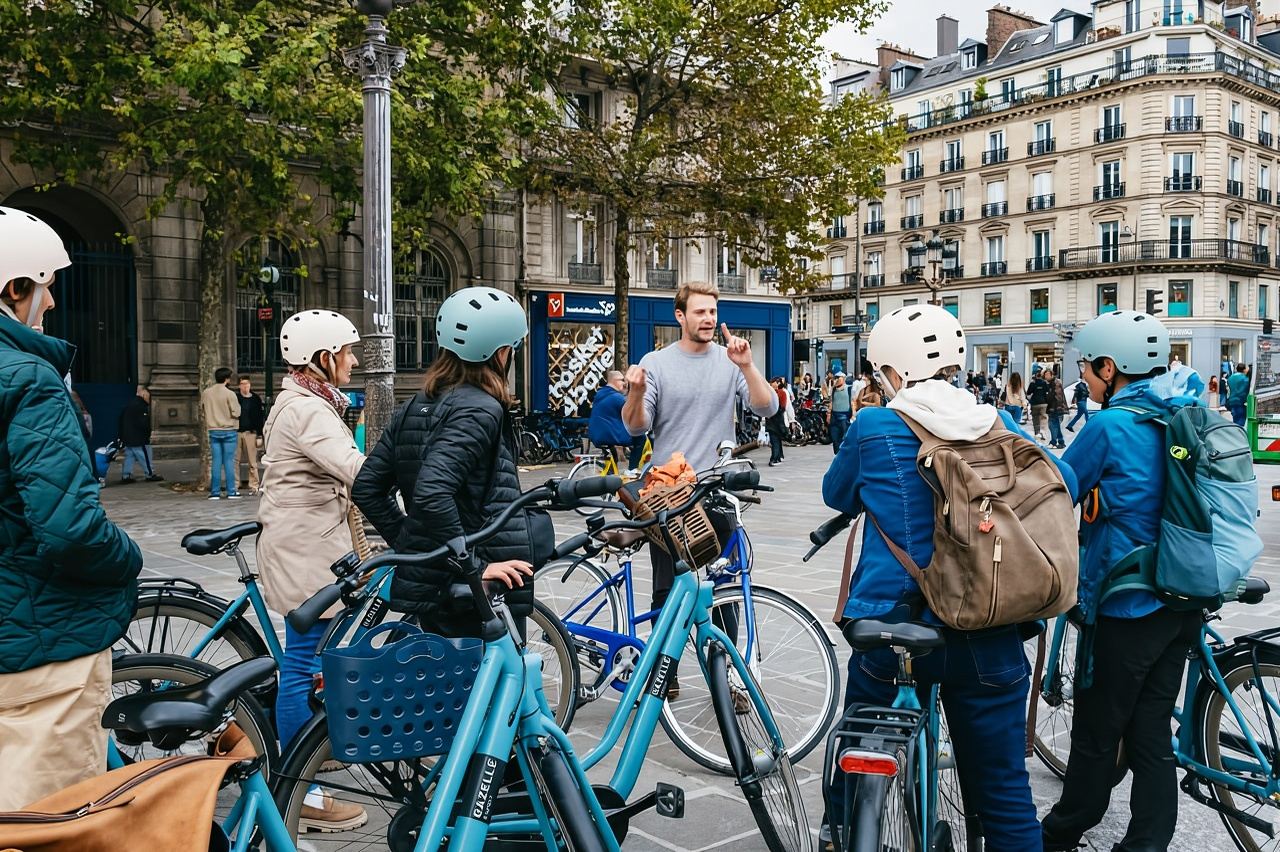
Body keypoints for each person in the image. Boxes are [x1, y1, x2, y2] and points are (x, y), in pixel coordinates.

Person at [822, 304, 1077, 849]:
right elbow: (1066, 480)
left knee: (857, 750)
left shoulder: (873, 425)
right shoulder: (996, 422)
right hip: (986, 624)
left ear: (892, 371)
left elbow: (836, 494)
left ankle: (840, 827)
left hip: (893, 629)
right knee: (1006, 794)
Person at [0, 206, 143, 809]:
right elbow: (71, 530)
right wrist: (127, 557)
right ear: (13, 288)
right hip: (40, 647)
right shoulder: (29, 378)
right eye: (47, 286)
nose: (52, 304)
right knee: (45, 824)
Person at [1041, 310, 1200, 852]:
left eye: (1087, 366)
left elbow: (1056, 489)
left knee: (1096, 732)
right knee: (1152, 730)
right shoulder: (1183, 413)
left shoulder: (1109, 427)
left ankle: (1059, 833)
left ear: (1111, 367)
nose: (1082, 376)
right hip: (1180, 598)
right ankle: (1146, 843)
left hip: (1126, 603)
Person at [353, 286, 546, 641]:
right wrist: (473, 565)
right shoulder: (481, 409)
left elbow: (367, 488)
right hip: (474, 589)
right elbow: (432, 491)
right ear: (501, 353)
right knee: (496, 690)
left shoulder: (413, 405)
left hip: (438, 584)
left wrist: (419, 548)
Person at [622, 280, 777, 696]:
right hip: (669, 494)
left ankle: (725, 680)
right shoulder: (655, 362)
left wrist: (746, 365)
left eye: (712, 311)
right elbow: (635, 426)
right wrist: (636, 392)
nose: (708, 319)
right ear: (680, 316)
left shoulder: (730, 362)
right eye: (699, 312)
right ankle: (663, 678)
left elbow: (767, 407)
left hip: (717, 488)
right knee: (666, 589)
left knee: (723, 592)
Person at [255, 309, 367, 831]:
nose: (353, 360)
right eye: (347, 352)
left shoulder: (301, 401)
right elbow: (357, 470)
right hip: (307, 556)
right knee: (300, 668)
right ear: (323, 359)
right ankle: (305, 793)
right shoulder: (309, 411)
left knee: (314, 661)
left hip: (304, 546)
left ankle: (313, 751)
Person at [200, 366, 241, 500]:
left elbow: (202, 409)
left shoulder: (206, 392)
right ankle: (231, 491)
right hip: (228, 429)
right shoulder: (230, 394)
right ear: (227, 379)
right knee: (229, 461)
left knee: (216, 462)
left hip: (213, 429)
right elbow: (236, 413)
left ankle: (215, 492)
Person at [587, 370, 638, 470]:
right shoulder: (616, 397)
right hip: (608, 434)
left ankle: (611, 475)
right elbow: (633, 411)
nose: (624, 383)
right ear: (615, 381)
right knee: (640, 439)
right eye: (622, 380)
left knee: (613, 454)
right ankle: (633, 469)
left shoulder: (601, 393)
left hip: (597, 434)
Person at [118, 384, 163, 483]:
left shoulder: (129, 405)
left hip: (128, 437)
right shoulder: (141, 406)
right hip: (139, 437)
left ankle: (126, 475)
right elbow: (143, 423)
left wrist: (122, 436)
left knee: (129, 456)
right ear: (143, 393)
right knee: (145, 455)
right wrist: (147, 434)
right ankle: (150, 474)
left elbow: (121, 421)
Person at [235, 375, 265, 494]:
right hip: (237, 432)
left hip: (251, 433)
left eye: (247, 384)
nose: (245, 386)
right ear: (239, 386)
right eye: (243, 384)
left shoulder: (255, 399)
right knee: (235, 460)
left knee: (252, 461)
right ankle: (235, 484)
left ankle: (254, 485)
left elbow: (259, 418)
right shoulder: (236, 398)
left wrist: (259, 434)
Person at [826, 371, 852, 451]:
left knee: (845, 438)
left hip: (845, 416)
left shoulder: (849, 388)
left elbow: (853, 402)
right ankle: (838, 454)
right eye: (835, 378)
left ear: (843, 379)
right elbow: (831, 401)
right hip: (834, 416)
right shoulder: (834, 390)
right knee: (835, 439)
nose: (836, 380)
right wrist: (829, 414)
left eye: (838, 378)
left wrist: (853, 415)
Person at [766, 377, 788, 466]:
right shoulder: (768, 393)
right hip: (770, 420)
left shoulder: (782, 393)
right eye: (772, 382)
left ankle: (775, 458)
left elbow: (783, 407)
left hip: (777, 420)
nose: (773, 384)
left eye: (774, 382)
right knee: (775, 439)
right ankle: (777, 457)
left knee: (776, 440)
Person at [1046, 369, 1067, 449]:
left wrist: (1053, 407)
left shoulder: (1055, 383)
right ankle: (1060, 442)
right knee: (1055, 425)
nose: (1046, 376)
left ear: (1052, 375)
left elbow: (1057, 397)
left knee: (1052, 425)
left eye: (1048, 374)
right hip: (1053, 408)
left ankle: (1054, 442)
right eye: (1045, 375)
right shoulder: (1051, 383)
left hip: (1055, 408)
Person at [1028, 369, 1052, 440]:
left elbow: (1029, 392)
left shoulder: (1033, 383)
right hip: (1043, 403)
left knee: (1035, 418)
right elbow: (1047, 392)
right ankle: (1043, 432)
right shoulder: (1044, 383)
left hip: (1035, 404)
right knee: (1043, 418)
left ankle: (1037, 433)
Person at [1227, 361, 1250, 427]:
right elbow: (1245, 390)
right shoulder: (1245, 379)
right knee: (1241, 420)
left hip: (1232, 401)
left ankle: (1236, 433)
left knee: (1235, 419)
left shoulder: (1230, 378)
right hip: (1241, 402)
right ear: (1244, 369)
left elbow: (1228, 390)